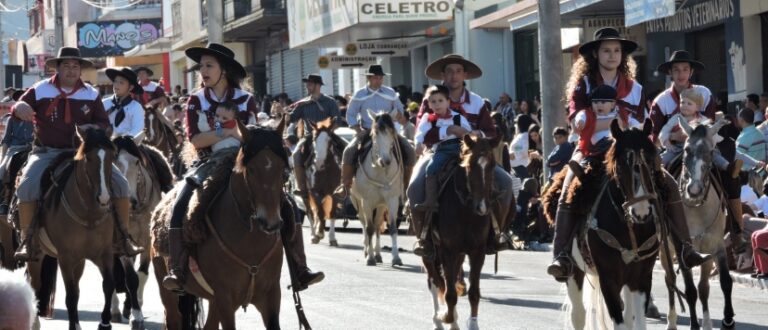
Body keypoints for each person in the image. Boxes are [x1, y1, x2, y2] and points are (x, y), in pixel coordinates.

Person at [547, 28, 709, 281]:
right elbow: (578, 124)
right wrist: (615, 121)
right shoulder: (584, 85)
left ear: (623, 55)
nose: (612, 55)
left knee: (669, 183)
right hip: (590, 150)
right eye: (606, 50)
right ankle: (562, 256)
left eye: (616, 50)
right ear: (596, 55)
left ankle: (686, 249)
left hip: (629, 150)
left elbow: (642, 124)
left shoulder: (635, 87)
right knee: (567, 188)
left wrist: (605, 121)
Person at [162, 43, 324, 292]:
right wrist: (228, 130)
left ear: (223, 70)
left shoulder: (245, 99)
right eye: (201, 66)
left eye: (208, 65)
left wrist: (223, 133)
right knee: (181, 201)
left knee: (288, 203)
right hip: (208, 162)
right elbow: (195, 139)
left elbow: (251, 138)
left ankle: (300, 268)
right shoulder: (195, 100)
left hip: (244, 161)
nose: (202, 71)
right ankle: (178, 269)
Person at [11, 47, 141, 261]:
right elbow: (18, 106)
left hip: (81, 153)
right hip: (47, 152)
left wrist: (94, 129)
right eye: (66, 66)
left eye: (75, 66)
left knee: (121, 185)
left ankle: (123, 237)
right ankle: (28, 239)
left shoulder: (91, 93)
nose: (71, 70)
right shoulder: (40, 88)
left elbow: (103, 123)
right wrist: (20, 106)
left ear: (80, 69)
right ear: (57, 68)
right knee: (26, 186)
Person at [410, 54, 514, 257]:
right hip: (438, 151)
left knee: (507, 182)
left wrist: (475, 135)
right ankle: (423, 237)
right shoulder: (429, 99)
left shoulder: (476, 102)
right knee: (414, 187)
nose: (454, 75)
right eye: (449, 71)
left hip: (473, 156)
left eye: (458, 71)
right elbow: (420, 131)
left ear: (465, 74)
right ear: (442, 74)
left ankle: (498, 232)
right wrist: (444, 134)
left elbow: (490, 132)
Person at [341, 65, 415, 194]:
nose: (379, 80)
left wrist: (397, 115)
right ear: (369, 78)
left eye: (380, 78)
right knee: (349, 151)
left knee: (409, 150)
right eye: (375, 78)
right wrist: (358, 130)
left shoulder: (390, 93)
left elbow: (399, 109)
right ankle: (345, 186)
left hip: (388, 132)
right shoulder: (359, 94)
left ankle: (407, 185)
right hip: (367, 131)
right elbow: (350, 114)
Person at [277, 74, 341, 200]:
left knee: (346, 149)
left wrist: (326, 133)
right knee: (296, 155)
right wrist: (283, 112)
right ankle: (301, 187)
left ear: (318, 85)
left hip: (328, 136)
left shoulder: (330, 102)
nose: (307, 86)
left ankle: (344, 186)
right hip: (309, 138)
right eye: (307, 83)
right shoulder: (303, 104)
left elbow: (337, 122)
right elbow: (290, 119)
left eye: (310, 83)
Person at [412, 85, 472, 211]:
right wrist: (418, 144)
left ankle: (483, 195)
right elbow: (421, 134)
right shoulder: (428, 119)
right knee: (431, 168)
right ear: (429, 104)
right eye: (433, 101)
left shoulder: (458, 117)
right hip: (442, 150)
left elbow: (468, 133)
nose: (437, 104)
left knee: (477, 166)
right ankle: (431, 201)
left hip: (461, 148)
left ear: (448, 102)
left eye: (440, 101)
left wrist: (465, 134)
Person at [658, 89, 731, 171]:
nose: (685, 105)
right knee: (663, 160)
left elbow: (711, 132)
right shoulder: (676, 118)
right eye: (682, 102)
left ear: (697, 107)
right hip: (677, 148)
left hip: (699, 148)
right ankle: (658, 176)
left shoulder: (702, 119)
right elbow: (664, 131)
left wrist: (710, 143)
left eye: (689, 103)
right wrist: (666, 141)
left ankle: (729, 167)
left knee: (714, 155)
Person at [0, 89, 33, 215]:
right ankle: (3, 201)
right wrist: (3, 157)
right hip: (14, 149)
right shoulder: (11, 119)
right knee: (2, 172)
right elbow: (6, 140)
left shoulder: (34, 117)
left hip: (31, 148)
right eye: (19, 100)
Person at [103, 67, 144, 138]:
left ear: (130, 87)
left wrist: (122, 141)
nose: (116, 85)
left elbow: (137, 130)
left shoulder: (136, 107)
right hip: (105, 144)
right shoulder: (104, 103)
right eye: (115, 81)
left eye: (121, 82)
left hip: (126, 145)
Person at [509, 115, 533, 179]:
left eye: (517, 123)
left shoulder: (525, 136)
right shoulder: (520, 135)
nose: (515, 125)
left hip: (522, 168)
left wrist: (514, 153)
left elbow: (524, 149)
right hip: (517, 169)